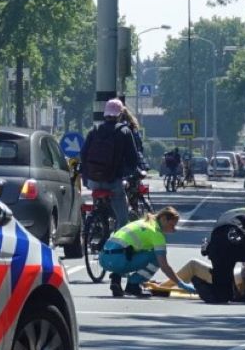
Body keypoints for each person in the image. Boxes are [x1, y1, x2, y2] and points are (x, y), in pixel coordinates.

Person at [79, 99, 144, 227]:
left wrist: (87, 175)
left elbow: (83, 154)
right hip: (113, 181)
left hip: (93, 181)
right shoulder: (124, 131)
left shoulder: (95, 130)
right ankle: (118, 242)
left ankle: (96, 224)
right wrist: (129, 174)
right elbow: (133, 158)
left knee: (98, 199)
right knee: (123, 218)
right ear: (120, 114)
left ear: (105, 114)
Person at [100, 207, 186, 298]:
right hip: (118, 261)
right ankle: (133, 284)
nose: (174, 229)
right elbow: (164, 265)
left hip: (104, 259)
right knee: (156, 257)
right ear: (164, 219)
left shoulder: (143, 222)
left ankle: (116, 278)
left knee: (133, 251)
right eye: (172, 225)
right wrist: (180, 283)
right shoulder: (156, 233)